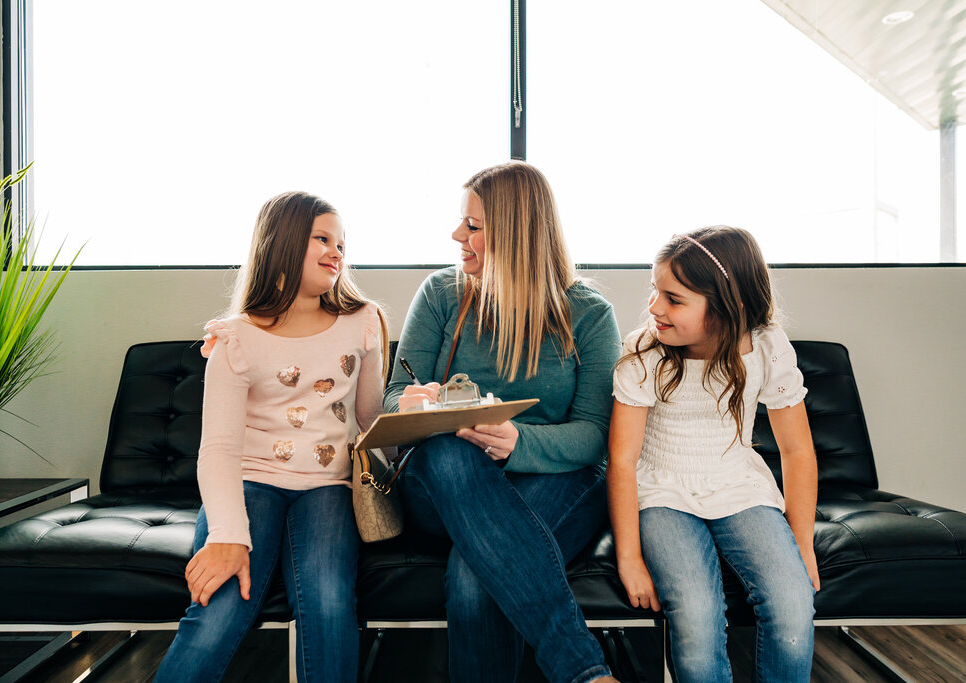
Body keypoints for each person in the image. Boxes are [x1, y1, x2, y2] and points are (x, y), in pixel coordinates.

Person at [385, 161, 622, 683]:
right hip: (445, 484)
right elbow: (392, 394)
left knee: (474, 575)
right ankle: (583, 670)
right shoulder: (441, 295)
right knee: (449, 451)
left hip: (553, 482)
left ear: (515, 235)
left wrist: (519, 443)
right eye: (460, 222)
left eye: (473, 226)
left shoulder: (588, 314)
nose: (456, 236)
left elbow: (595, 435)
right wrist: (411, 401)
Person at [155, 192, 388, 683]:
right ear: (281, 245)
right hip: (250, 483)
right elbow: (217, 450)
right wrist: (228, 536)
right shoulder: (235, 338)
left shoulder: (362, 322)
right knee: (220, 606)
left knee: (329, 602)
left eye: (342, 243)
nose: (337, 252)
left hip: (329, 487)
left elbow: (369, 421)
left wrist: (409, 409)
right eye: (322, 238)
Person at [607, 226, 819, 682]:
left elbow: (797, 450)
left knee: (793, 603)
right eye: (654, 290)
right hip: (661, 490)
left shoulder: (766, 346)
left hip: (738, 484)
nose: (655, 308)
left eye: (674, 299)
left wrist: (802, 544)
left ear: (727, 307)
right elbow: (623, 461)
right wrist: (629, 558)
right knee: (698, 617)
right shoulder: (643, 351)